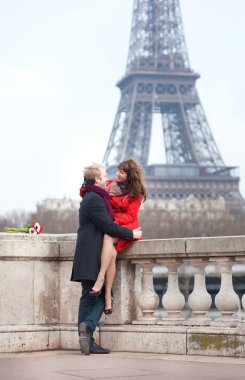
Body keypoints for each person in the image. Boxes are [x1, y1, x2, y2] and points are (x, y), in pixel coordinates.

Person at [70, 163, 142, 355]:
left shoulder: (92, 195)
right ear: (98, 179)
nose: (108, 177)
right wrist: (131, 233)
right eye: (104, 175)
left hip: (89, 253)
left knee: (88, 297)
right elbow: (108, 227)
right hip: (92, 254)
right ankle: (88, 329)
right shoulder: (94, 199)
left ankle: (86, 338)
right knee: (101, 296)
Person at [89, 158, 147, 314]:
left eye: (121, 172)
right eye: (118, 170)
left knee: (108, 236)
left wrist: (112, 220)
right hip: (112, 224)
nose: (117, 173)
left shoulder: (136, 193)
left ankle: (100, 279)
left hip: (127, 227)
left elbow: (130, 216)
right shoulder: (109, 186)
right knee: (112, 254)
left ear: (130, 175)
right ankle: (108, 297)